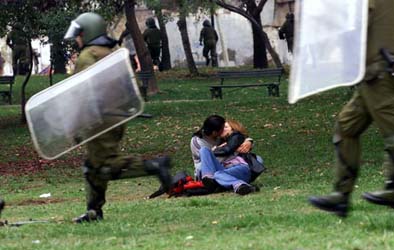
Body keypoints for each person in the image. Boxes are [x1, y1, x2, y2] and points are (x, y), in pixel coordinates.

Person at [64, 12, 173, 223]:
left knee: (104, 166)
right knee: (93, 166)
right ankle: (94, 211)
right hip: (116, 116)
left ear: (87, 33)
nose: (77, 39)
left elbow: (83, 93)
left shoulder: (88, 56)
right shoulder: (111, 52)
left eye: (79, 35)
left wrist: (76, 125)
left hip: (98, 119)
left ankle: (154, 166)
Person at [309, 0, 394, 217]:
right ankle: (341, 195)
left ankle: (392, 189)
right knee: (346, 127)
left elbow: (352, 23)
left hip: (381, 76)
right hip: (373, 76)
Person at [199, 119, 258, 195]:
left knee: (218, 175)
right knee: (204, 150)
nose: (222, 129)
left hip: (240, 167)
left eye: (226, 127)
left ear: (233, 129)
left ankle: (240, 184)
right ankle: (209, 179)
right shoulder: (219, 141)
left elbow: (229, 148)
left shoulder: (237, 137)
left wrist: (249, 141)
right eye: (221, 128)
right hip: (224, 170)